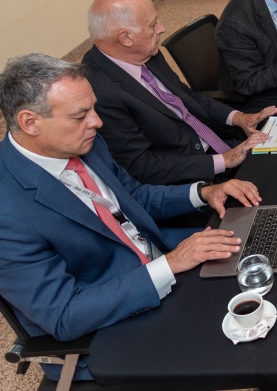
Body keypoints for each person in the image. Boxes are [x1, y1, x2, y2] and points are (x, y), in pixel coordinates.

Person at [0, 54, 261, 382]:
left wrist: (203, 192)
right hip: (109, 326)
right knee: (249, 346)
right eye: (81, 115)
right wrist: (170, 265)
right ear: (30, 122)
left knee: (259, 248)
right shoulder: (7, 210)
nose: (97, 122)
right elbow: (65, 315)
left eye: (93, 109)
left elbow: (132, 197)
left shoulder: (81, 142)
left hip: (155, 260)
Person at [82, 0, 277, 185]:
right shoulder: (99, 93)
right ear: (126, 38)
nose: (162, 28)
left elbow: (187, 96)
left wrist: (240, 118)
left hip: (221, 143)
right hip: (195, 177)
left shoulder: (143, 51)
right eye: (152, 24)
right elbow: (142, 167)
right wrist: (225, 160)